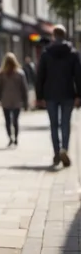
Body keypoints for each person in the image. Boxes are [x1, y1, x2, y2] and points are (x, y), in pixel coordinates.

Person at [35, 24, 81, 167]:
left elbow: (40, 76)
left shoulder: (46, 53)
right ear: (65, 35)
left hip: (50, 95)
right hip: (68, 93)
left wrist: (39, 96)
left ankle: (56, 152)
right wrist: (79, 95)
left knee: (54, 125)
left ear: (53, 36)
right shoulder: (73, 53)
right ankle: (64, 149)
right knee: (66, 124)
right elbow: (78, 76)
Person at [0, 52, 29, 147]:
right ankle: (16, 138)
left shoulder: (1, 74)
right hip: (17, 100)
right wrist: (26, 103)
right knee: (15, 121)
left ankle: (10, 138)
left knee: (7, 121)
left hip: (5, 100)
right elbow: (24, 89)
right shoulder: (20, 73)